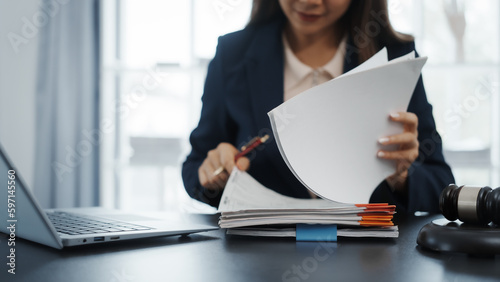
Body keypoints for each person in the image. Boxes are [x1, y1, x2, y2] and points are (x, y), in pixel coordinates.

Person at [182, 0, 455, 213]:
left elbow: (441, 184)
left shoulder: (395, 57)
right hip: (260, 260)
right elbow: (194, 170)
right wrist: (213, 173)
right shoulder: (233, 54)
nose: (309, 1)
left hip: (370, 262)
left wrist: (402, 176)